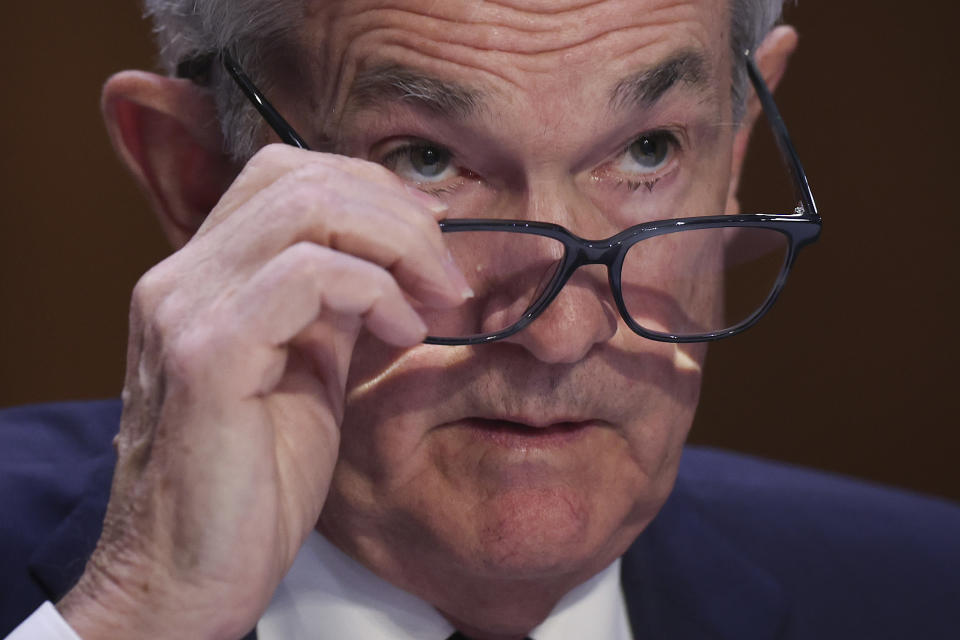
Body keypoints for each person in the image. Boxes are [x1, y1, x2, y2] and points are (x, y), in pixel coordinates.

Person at [2, 1, 958, 639]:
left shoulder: (923, 593)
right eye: (425, 159)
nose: (560, 332)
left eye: (648, 150)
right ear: (198, 176)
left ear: (739, 142)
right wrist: (137, 613)